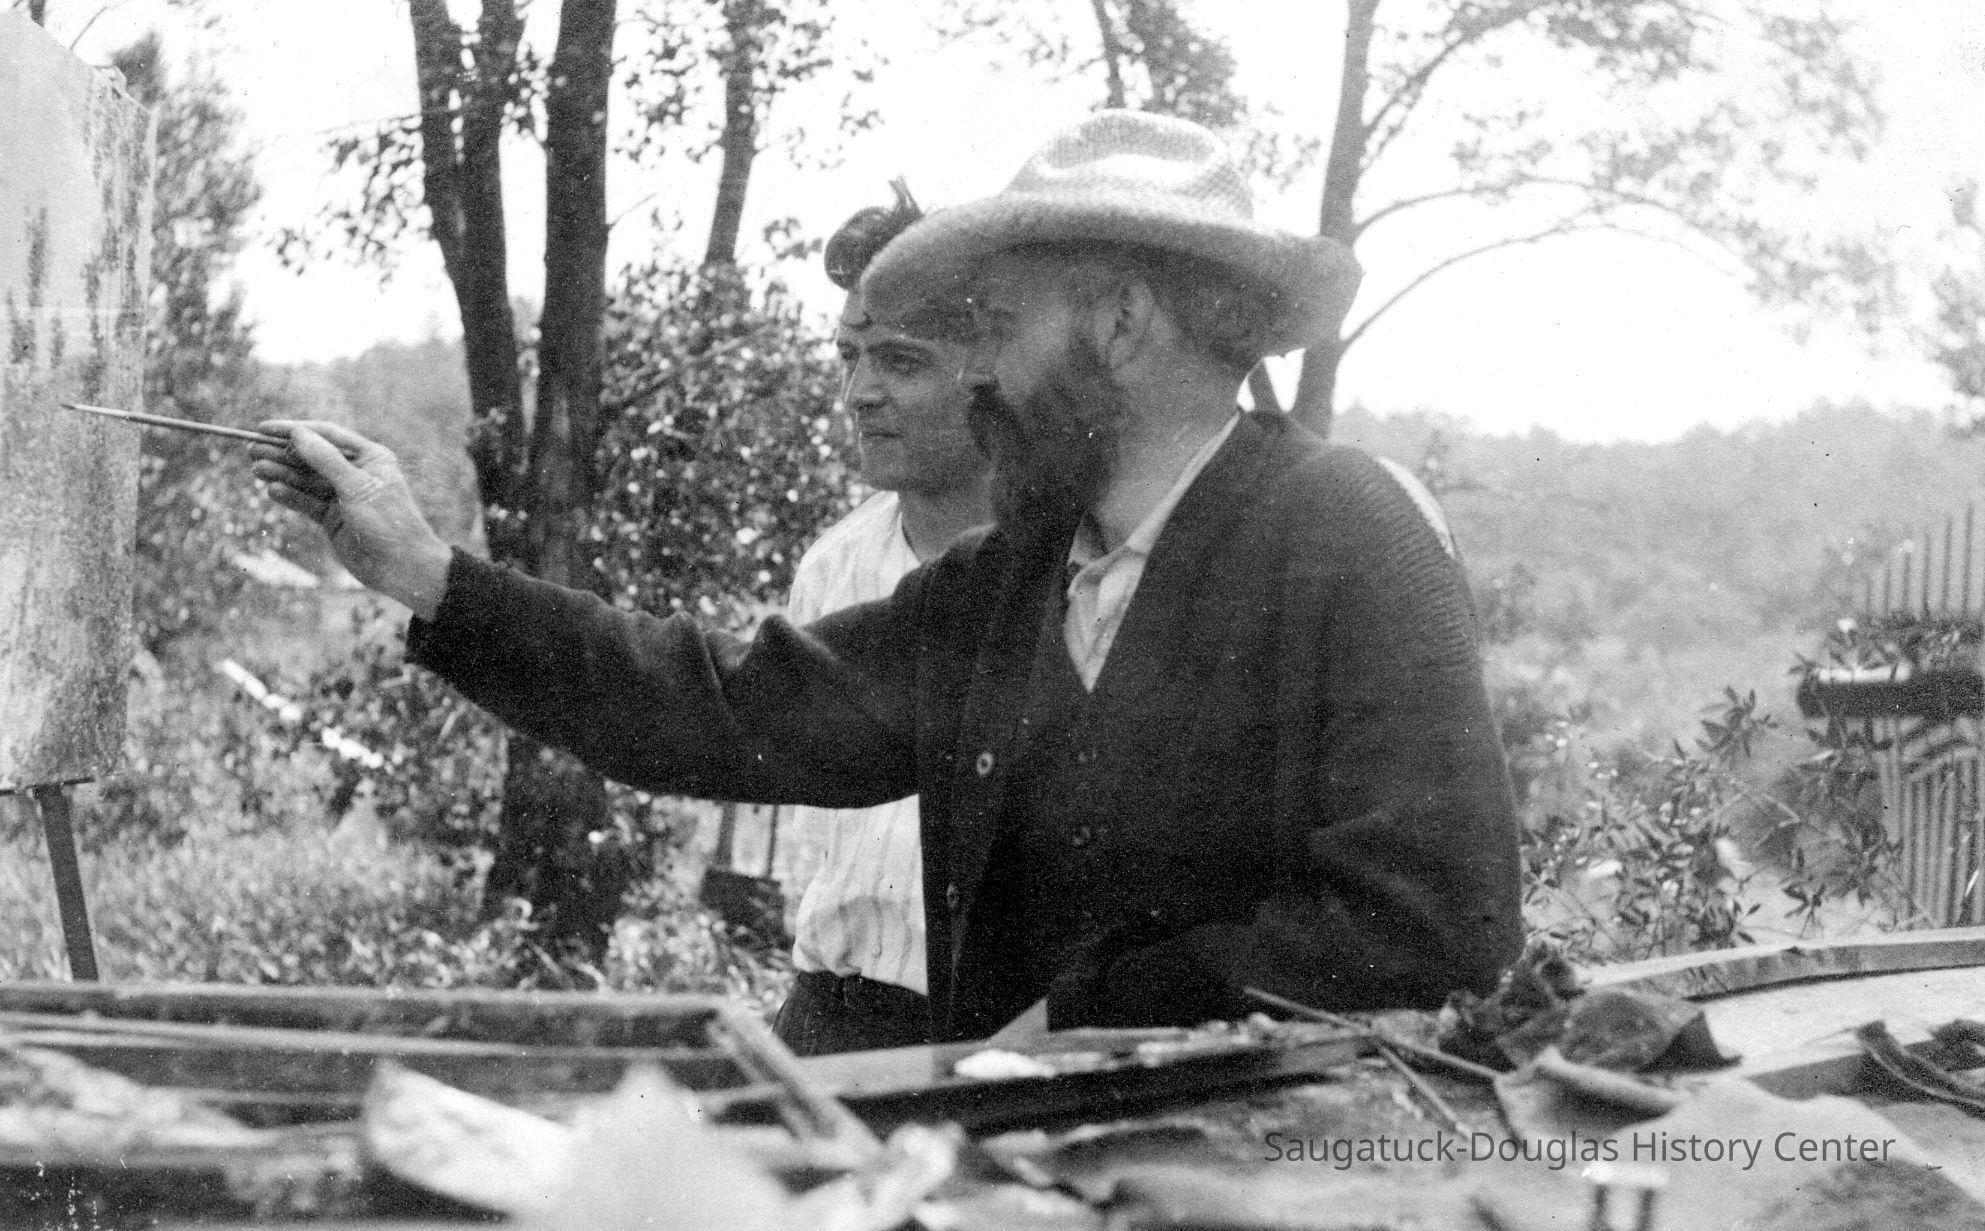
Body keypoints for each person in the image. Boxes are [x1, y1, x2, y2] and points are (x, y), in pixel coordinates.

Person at [252, 110, 1523, 1045]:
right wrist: (431, 576)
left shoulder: (1344, 530)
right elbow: (723, 705)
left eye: (997, 330)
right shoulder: (1010, 583)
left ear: (1123, 322)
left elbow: (1431, 925)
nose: (976, 378)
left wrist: (1080, 1022)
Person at [774, 185, 990, 1055]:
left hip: (985, 1034)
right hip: (828, 1014)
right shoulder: (833, 568)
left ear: (994, 372)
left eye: (900, 361)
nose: (858, 393)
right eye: (847, 357)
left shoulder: (1074, 569)